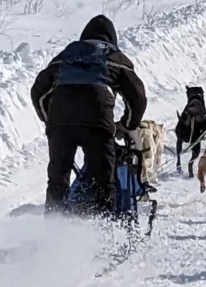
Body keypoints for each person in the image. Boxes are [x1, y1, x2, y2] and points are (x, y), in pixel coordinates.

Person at [30, 15, 148, 216]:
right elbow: (137, 97)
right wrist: (128, 123)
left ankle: (53, 233)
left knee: (58, 179)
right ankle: (103, 231)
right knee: (104, 177)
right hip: (97, 117)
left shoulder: (66, 55)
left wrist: (50, 120)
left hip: (61, 118)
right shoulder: (115, 56)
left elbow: (38, 91)